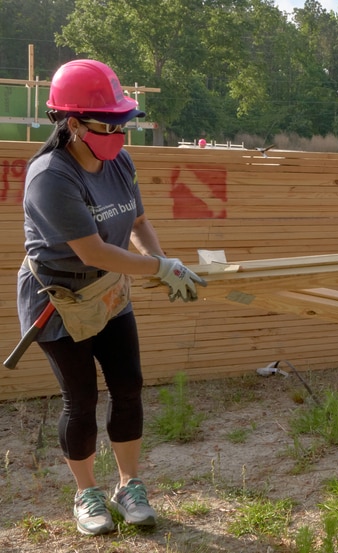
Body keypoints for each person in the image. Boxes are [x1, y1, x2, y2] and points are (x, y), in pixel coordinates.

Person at [16, 59, 206, 535]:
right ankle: (87, 494)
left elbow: (137, 223)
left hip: (108, 289)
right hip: (57, 298)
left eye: (124, 122)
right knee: (79, 400)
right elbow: (93, 250)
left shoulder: (119, 160)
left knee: (128, 385)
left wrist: (164, 265)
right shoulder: (50, 177)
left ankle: (129, 485)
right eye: (110, 124)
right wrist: (161, 268)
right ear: (73, 124)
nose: (120, 133)